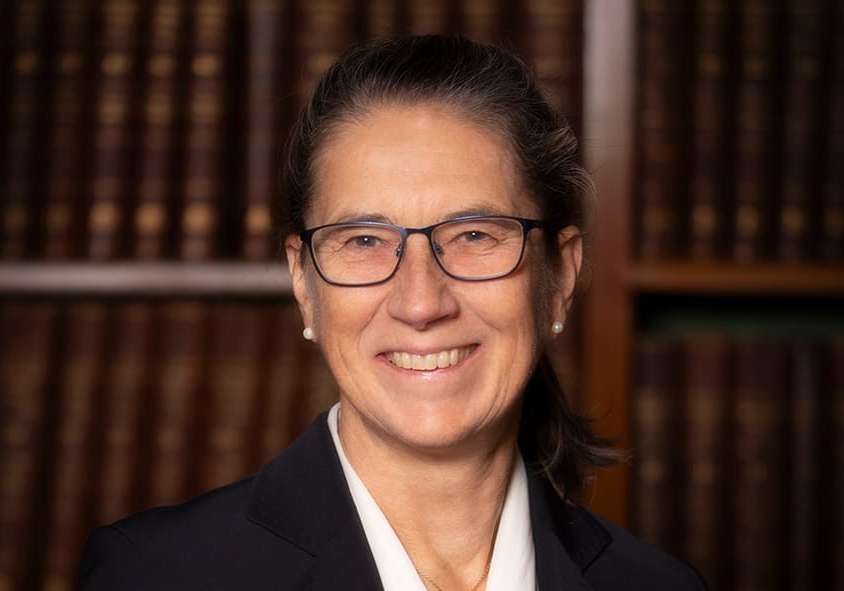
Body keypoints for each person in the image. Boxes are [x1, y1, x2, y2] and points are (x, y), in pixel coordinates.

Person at [79, 35, 706, 590]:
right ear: (304, 283)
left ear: (561, 276)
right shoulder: (159, 573)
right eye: (363, 241)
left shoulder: (659, 584)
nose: (420, 302)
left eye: (475, 235)